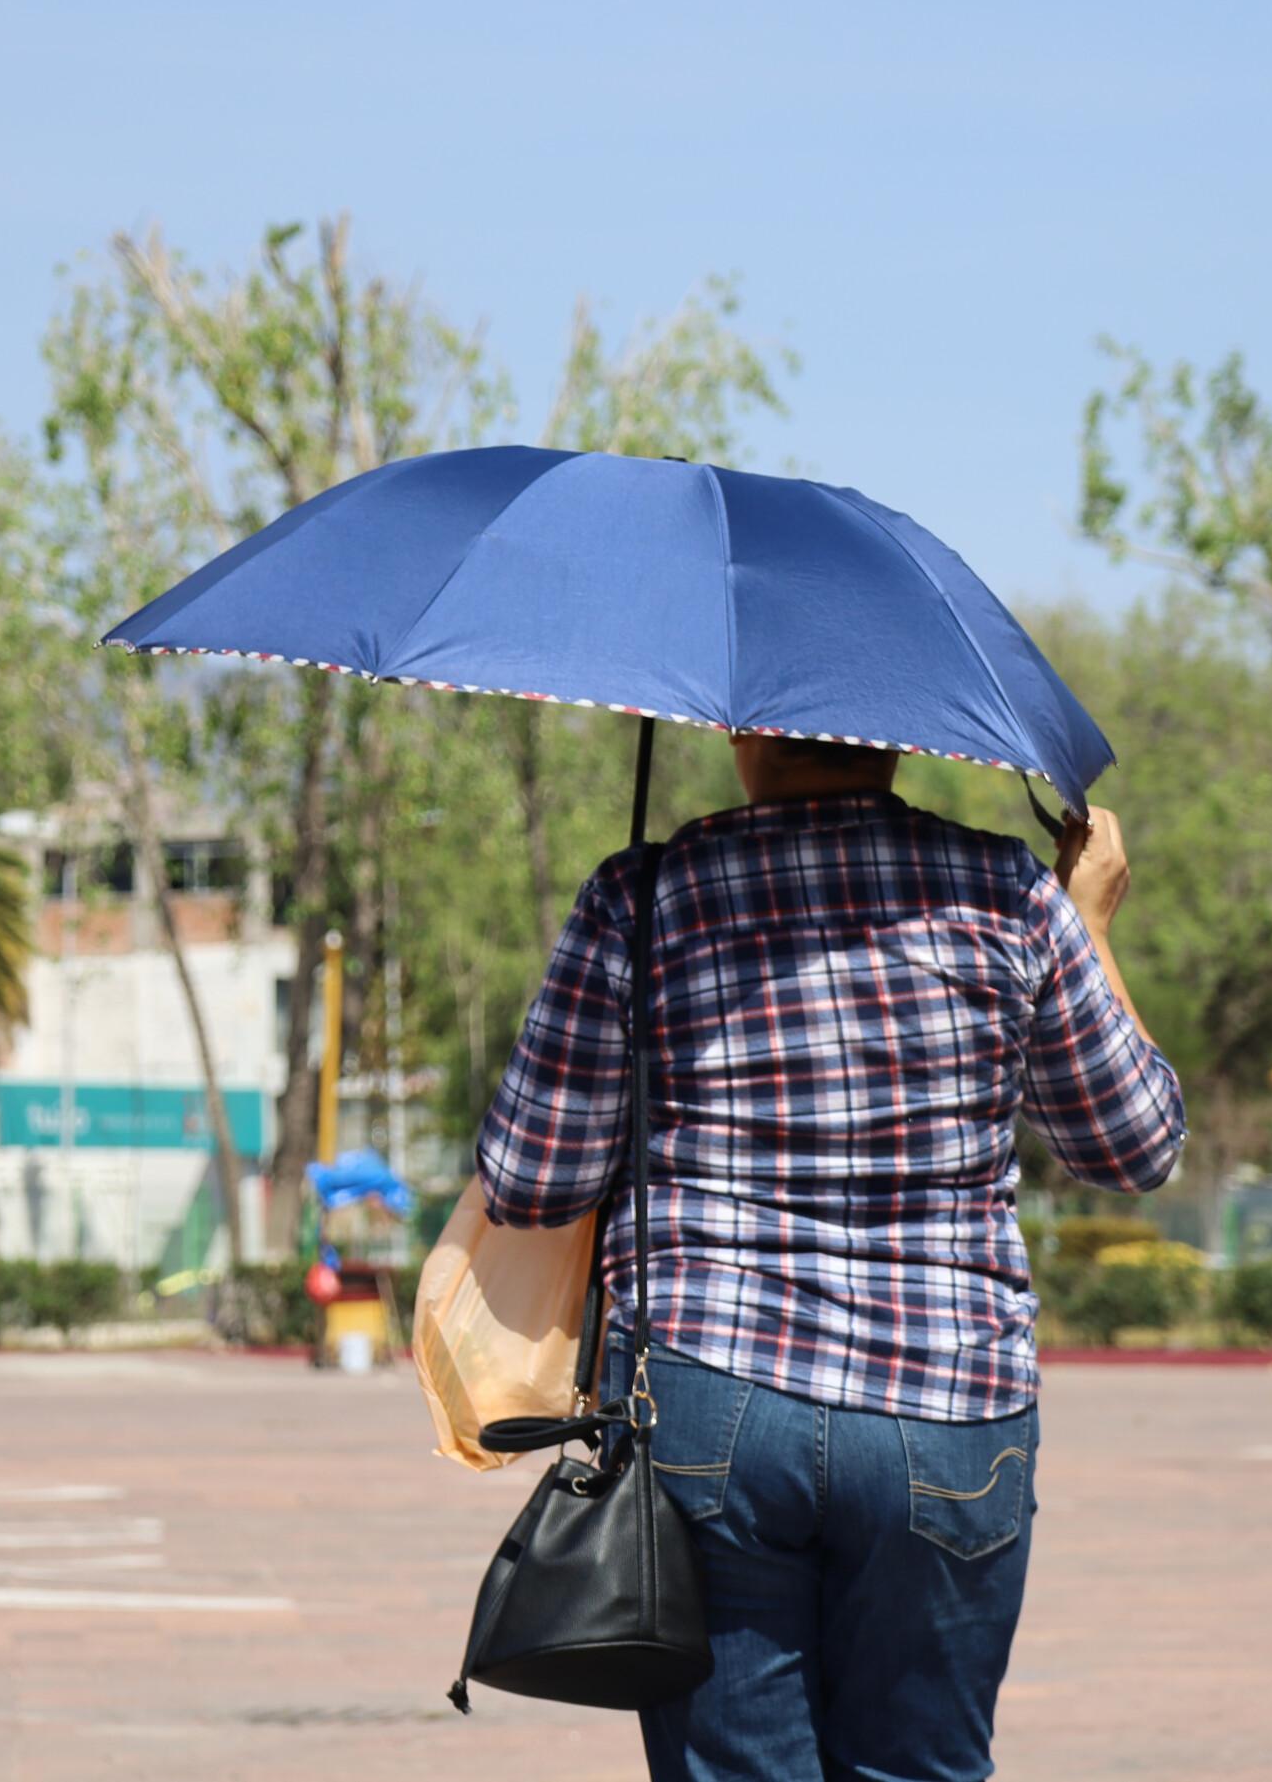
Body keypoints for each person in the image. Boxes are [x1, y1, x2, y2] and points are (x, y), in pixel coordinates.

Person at [477, 733, 1185, 1782]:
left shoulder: (645, 894)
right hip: (948, 1410)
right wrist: (1086, 924)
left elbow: (531, 1179)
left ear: (742, 725)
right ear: (898, 736)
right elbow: (1135, 1147)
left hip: (710, 1399)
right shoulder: (1007, 893)